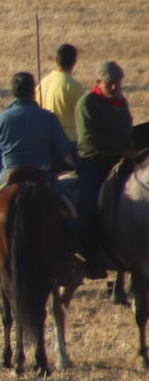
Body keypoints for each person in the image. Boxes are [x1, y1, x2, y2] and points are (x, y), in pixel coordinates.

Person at [0, 72, 74, 283]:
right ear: (33, 92)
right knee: (71, 213)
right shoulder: (48, 117)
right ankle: (65, 264)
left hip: (8, 174)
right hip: (43, 174)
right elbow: (62, 151)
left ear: (12, 92)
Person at [75, 60, 134, 279]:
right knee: (87, 205)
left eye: (118, 83)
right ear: (99, 82)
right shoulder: (87, 103)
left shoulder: (121, 102)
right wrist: (120, 150)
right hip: (94, 163)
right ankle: (89, 256)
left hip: (124, 161)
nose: (114, 87)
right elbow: (90, 139)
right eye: (110, 83)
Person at [37, 43, 85, 144]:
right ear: (74, 62)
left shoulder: (42, 83)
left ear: (56, 59)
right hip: (69, 140)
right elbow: (84, 115)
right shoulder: (74, 86)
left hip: (46, 138)